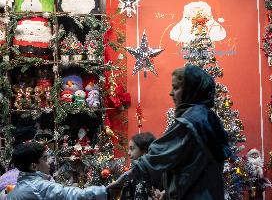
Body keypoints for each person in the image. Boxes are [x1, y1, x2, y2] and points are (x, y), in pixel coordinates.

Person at [107, 64, 232, 200]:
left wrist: (120, 182)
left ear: (191, 90)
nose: (171, 93)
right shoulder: (208, 118)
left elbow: (156, 157)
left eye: (176, 87)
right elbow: (196, 170)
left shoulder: (190, 122)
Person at [5, 141, 108, 200]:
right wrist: (106, 190)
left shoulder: (17, 189)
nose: (50, 161)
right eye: (45, 159)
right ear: (34, 166)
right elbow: (73, 194)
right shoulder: (39, 187)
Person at [120, 132, 156, 200]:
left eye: (132, 148)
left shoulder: (157, 173)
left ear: (145, 150)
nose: (128, 153)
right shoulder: (132, 174)